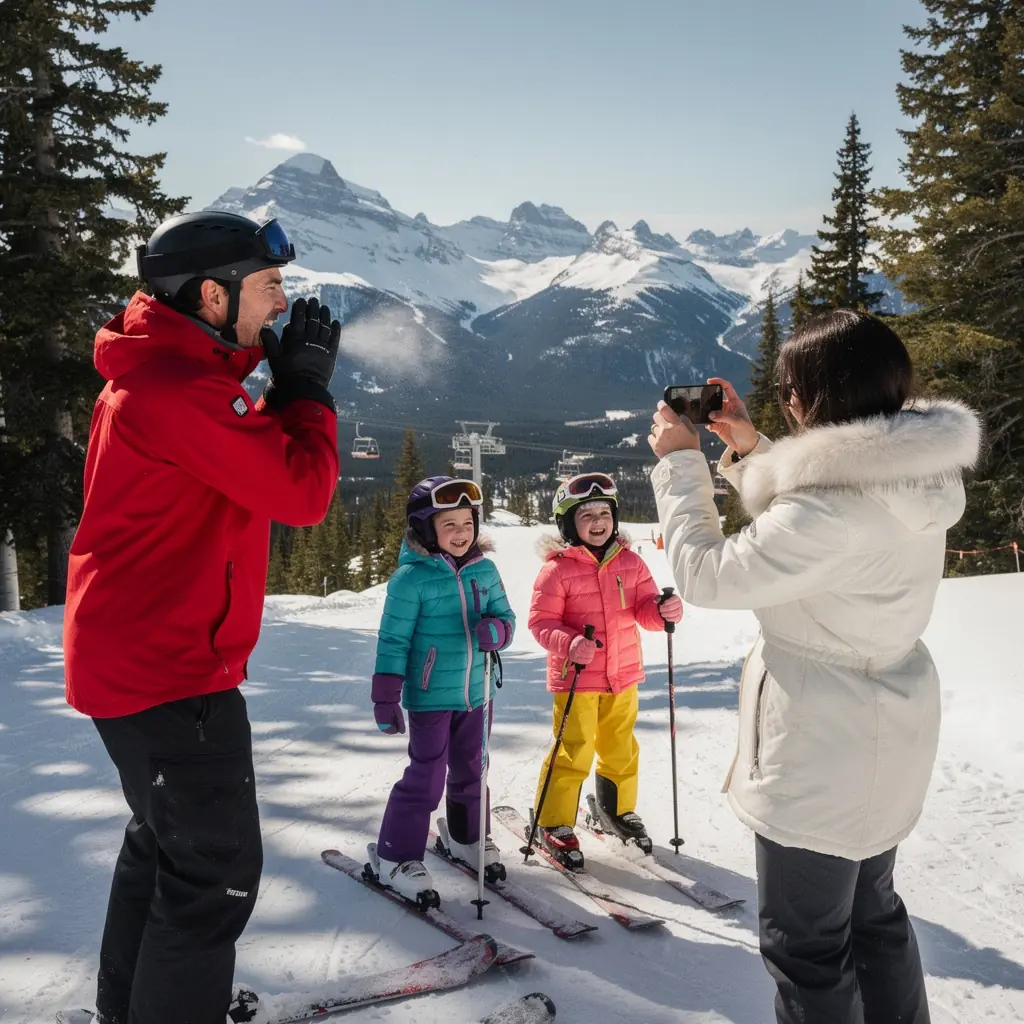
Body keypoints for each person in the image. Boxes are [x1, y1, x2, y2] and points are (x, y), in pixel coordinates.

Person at [647, 309, 981, 1024]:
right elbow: (826, 492)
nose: (788, 403)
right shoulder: (914, 474)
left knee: (807, 949)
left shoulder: (828, 510)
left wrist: (680, 465)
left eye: (791, 392)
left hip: (822, 749)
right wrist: (751, 445)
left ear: (814, 400)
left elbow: (709, 575)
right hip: (888, 734)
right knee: (875, 917)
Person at [62, 211, 341, 1024]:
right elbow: (303, 493)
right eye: (270, 285)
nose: (283, 303)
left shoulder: (168, 371)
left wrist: (273, 377)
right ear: (212, 295)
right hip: (169, 673)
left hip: (143, 661)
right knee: (213, 877)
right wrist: (308, 394)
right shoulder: (176, 391)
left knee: (165, 853)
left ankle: (137, 1010)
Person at [369, 476, 516, 904]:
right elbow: (392, 641)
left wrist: (499, 630)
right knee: (426, 777)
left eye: (467, 522)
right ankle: (395, 855)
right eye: (448, 523)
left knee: (475, 768)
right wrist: (385, 696)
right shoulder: (410, 580)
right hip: (431, 696)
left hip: (477, 693)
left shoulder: (484, 570)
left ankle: (467, 837)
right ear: (425, 528)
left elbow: (505, 617)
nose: (460, 532)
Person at [528, 472, 683, 867]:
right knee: (573, 749)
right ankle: (554, 820)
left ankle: (616, 810)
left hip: (623, 675)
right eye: (586, 515)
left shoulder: (631, 562)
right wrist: (571, 643)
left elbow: (645, 609)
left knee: (621, 749)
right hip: (576, 678)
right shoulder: (557, 570)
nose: (598, 522)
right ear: (567, 523)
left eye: (604, 512)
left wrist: (663, 611)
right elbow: (541, 624)